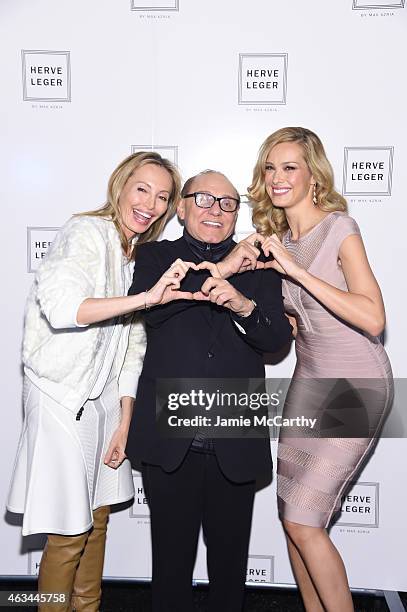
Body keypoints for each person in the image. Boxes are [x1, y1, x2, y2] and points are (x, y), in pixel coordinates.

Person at [7, 151, 194, 612]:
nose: (150, 203)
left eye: (162, 196)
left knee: (98, 518)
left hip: (104, 401)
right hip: (59, 395)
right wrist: (145, 299)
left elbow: (132, 347)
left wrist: (124, 418)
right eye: (142, 189)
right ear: (121, 185)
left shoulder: (136, 253)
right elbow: (64, 307)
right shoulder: (86, 233)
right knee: (69, 532)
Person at [126, 169, 292, 612]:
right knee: (170, 569)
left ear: (237, 213)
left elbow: (276, 342)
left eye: (227, 202)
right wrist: (223, 270)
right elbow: (156, 308)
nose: (215, 210)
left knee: (229, 570)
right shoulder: (155, 258)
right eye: (202, 199)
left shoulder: (261, 271)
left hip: (234, 438)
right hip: (170, 438)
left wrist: (244, 305)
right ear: (180, 208)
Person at [246, 127, 393, 611]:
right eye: (270, 167)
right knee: (292, 517)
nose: (277, 177)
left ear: (313, 176)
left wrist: (296, 271)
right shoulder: (281, 240)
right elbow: (291, 326)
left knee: (307, 521)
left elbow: (373, 317)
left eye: (289, 167)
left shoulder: (339, 229)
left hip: (356, 386)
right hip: (308, 383)